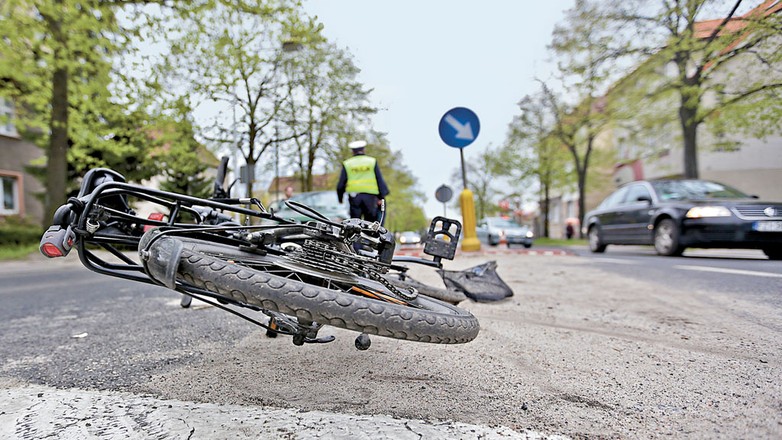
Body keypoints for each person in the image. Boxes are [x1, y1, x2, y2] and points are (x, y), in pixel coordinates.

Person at [336, 140, 389, 223]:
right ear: (364, 150)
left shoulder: (348, 163)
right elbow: (379, 179)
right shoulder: (371, 161)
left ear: (352, 151)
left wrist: (340, 198)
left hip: (354, 198)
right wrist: (381, 197)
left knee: (355, 223)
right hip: (371, 197)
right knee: (370, 223)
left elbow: (341, 184)